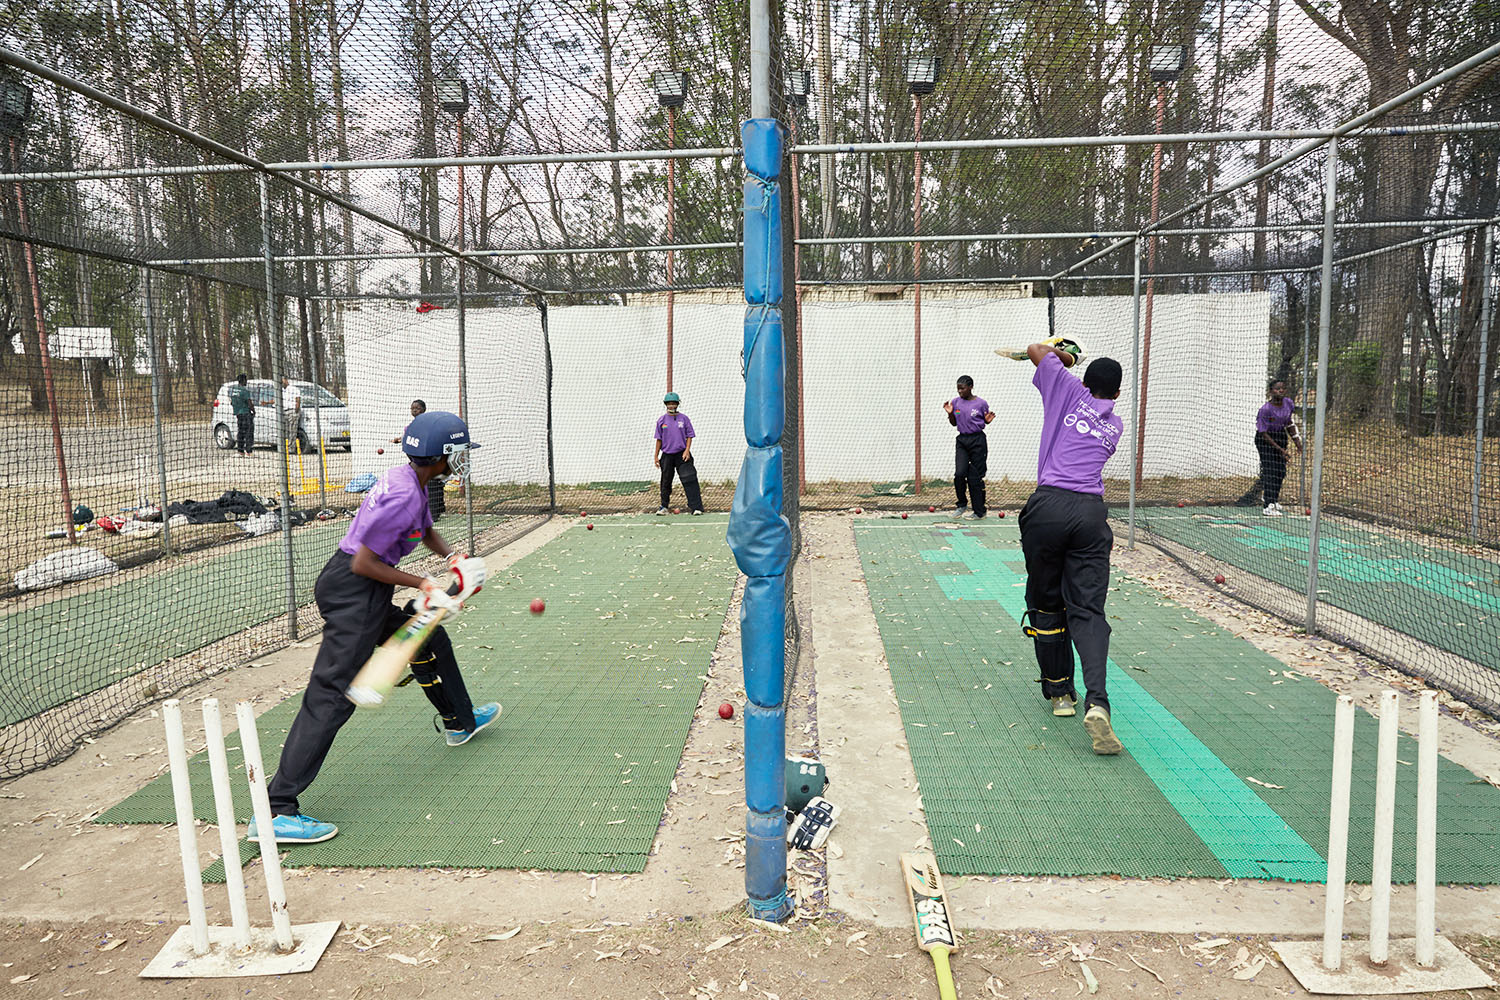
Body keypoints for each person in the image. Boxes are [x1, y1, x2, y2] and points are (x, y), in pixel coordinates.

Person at [251, 411, 499, 844]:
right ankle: (275, 811)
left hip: (361, 587)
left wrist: (451, 558)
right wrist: (424, 584)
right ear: (440, 456)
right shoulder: (404, 495)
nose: (462, 460)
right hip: (357, 590)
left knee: (431, 636)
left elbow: (423, 529)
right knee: (330, 696)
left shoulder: (411, 479)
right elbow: (365, 563)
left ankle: (459, 720)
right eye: (458, 453)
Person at [1019, 340, 1126, 755]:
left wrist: (1065, 355)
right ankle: (1098, 701)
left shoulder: (1066, 389)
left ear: (1082, 380)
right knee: (1087, 609)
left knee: (1046, 601)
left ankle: (1061, 694)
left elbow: (1034, 348)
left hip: (1048, 507)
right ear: (1116, 395)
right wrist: (1067, 363)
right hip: (1089, 513)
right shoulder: (1114, 426)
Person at [1236, 378, 1303, 516]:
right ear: (1271, 391)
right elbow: (1263, 432)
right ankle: (1268, 505)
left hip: (1280, 436)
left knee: (1280, 471)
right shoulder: (1265, 410)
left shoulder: (1288, 403)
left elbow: (1289, 423)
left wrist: (1297, 441)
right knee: (1270, 471)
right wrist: (1280, 449)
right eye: (1277, 388)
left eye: (1283, 388)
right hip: (1265, 440)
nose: (1280, 391)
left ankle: (1274, 500)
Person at [943, 375, 995, 518]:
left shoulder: (981, 403)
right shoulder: (956, 402)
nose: (960, 391)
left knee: (975, 477)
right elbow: (954, 423)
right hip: (962, 441)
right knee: (959, 474)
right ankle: (961, 505)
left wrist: (987, 421)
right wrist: (950, 414)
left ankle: (980, 511)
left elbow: (985, 420)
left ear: (971, 387)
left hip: (977, 440)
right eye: (958, 389)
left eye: (962, 388)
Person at [393, 399, 445, 521]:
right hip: (417, 460)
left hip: (430, 458)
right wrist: (399, 439)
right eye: (412, 408)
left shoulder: (429, 423)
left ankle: (435, 512)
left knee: (433, 483)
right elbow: (408, 437)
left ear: (424, 409)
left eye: (417, 408)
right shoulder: (410, 426)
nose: (414, 410)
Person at [654, 391, 704, 515]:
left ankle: (696, 507)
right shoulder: (661, 420)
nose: (671, 406)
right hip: (667, 455)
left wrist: (687, 450)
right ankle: (664, 507)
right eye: (669, 404)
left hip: (682, 454)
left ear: (677, 404)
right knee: (665, 481)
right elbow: (658, 439)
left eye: (674, 403)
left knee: (689, 479)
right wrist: (656, 456)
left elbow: (689, 436)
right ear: (666, 405)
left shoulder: (684, 419)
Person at [228, 373, 255, 457]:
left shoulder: (233, 390)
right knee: (248, 432)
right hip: (246, 413)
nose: (246, 382)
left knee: (240, 432)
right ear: (243, 380)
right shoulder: (244, 391)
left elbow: (232, 402)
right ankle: (249, 451)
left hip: (238, 414)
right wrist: (253, 411)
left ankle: (240, 451)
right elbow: (249, 403)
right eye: (246, 380)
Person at [280, 375, 303, 452]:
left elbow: (298, 400)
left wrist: (296, 409)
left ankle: (291, 448)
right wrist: (266, 402)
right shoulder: (282, 391)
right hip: (285, 411)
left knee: (292, 430)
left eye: (282, 380)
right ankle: (286, 446)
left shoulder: (294, 389)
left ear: (286, 380)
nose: (281, 382)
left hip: (292, 411)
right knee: (286, 430)